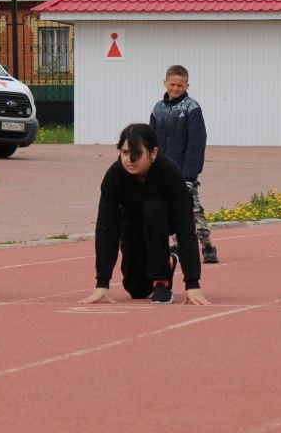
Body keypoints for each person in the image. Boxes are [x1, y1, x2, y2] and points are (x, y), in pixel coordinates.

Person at [81, 123, 208, 305]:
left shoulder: (171, 173)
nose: (129, 160)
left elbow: (185, 228)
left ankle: (161, 281)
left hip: (162, 220)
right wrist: (102, 283)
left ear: (153, 153)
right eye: (124, 153)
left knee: (152, 207)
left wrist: (192, 283)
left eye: (136, 154)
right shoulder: (115, 176)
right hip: (131, 223)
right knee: (137, 290)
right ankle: (169, 261)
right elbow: (106, 229)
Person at [150, 64, 217, 264]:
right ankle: (178, 242)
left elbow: (196, 142)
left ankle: (207, 245)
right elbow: (151, 141)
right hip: (162, 172)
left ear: (187, 85)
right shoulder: (157, 109)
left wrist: (190, 175)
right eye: (172, 84)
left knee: (193, 209)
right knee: (167, 209)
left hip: (184, 172)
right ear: (165, 83)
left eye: (180, 85)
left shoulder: (191, 108)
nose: (176, 88)